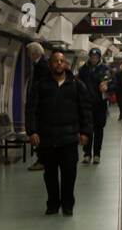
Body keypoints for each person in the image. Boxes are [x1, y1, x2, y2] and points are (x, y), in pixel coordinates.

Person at [25, 50, 91, 216]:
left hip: (69, 137)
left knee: (69, 173)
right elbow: (32, 110)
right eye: (56, 61)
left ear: (66, 65)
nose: (59, 64)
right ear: (50, 65)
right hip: (48, 138)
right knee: (50, 174)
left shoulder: (76, 85)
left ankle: (68, 204)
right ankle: (53, 203)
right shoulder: (40, 85)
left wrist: (85, 132)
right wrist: (32, 131)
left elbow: (85, 110)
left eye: (62, 61)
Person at [76, 46, 112, 164]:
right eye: (92, 57)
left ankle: (97, 154)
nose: (94, 59)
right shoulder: (84, 70)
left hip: (99, 104)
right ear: (89, 57)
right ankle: (87, 154)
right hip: (86, 104)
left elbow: (114, 84)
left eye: (96, 57)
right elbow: (78, 85)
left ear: (99, 57)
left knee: (98, 130)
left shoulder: (105, 69)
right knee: (87, 130)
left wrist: (107, 88)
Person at [25, 42, 47, 171]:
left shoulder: (43, 66)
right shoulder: (39, 64)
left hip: (40, 106)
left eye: (29, 53)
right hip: (39, 105)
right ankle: (41, 159)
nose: (28, 56)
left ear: (34, 53)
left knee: (40, 133)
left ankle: (42, 160)